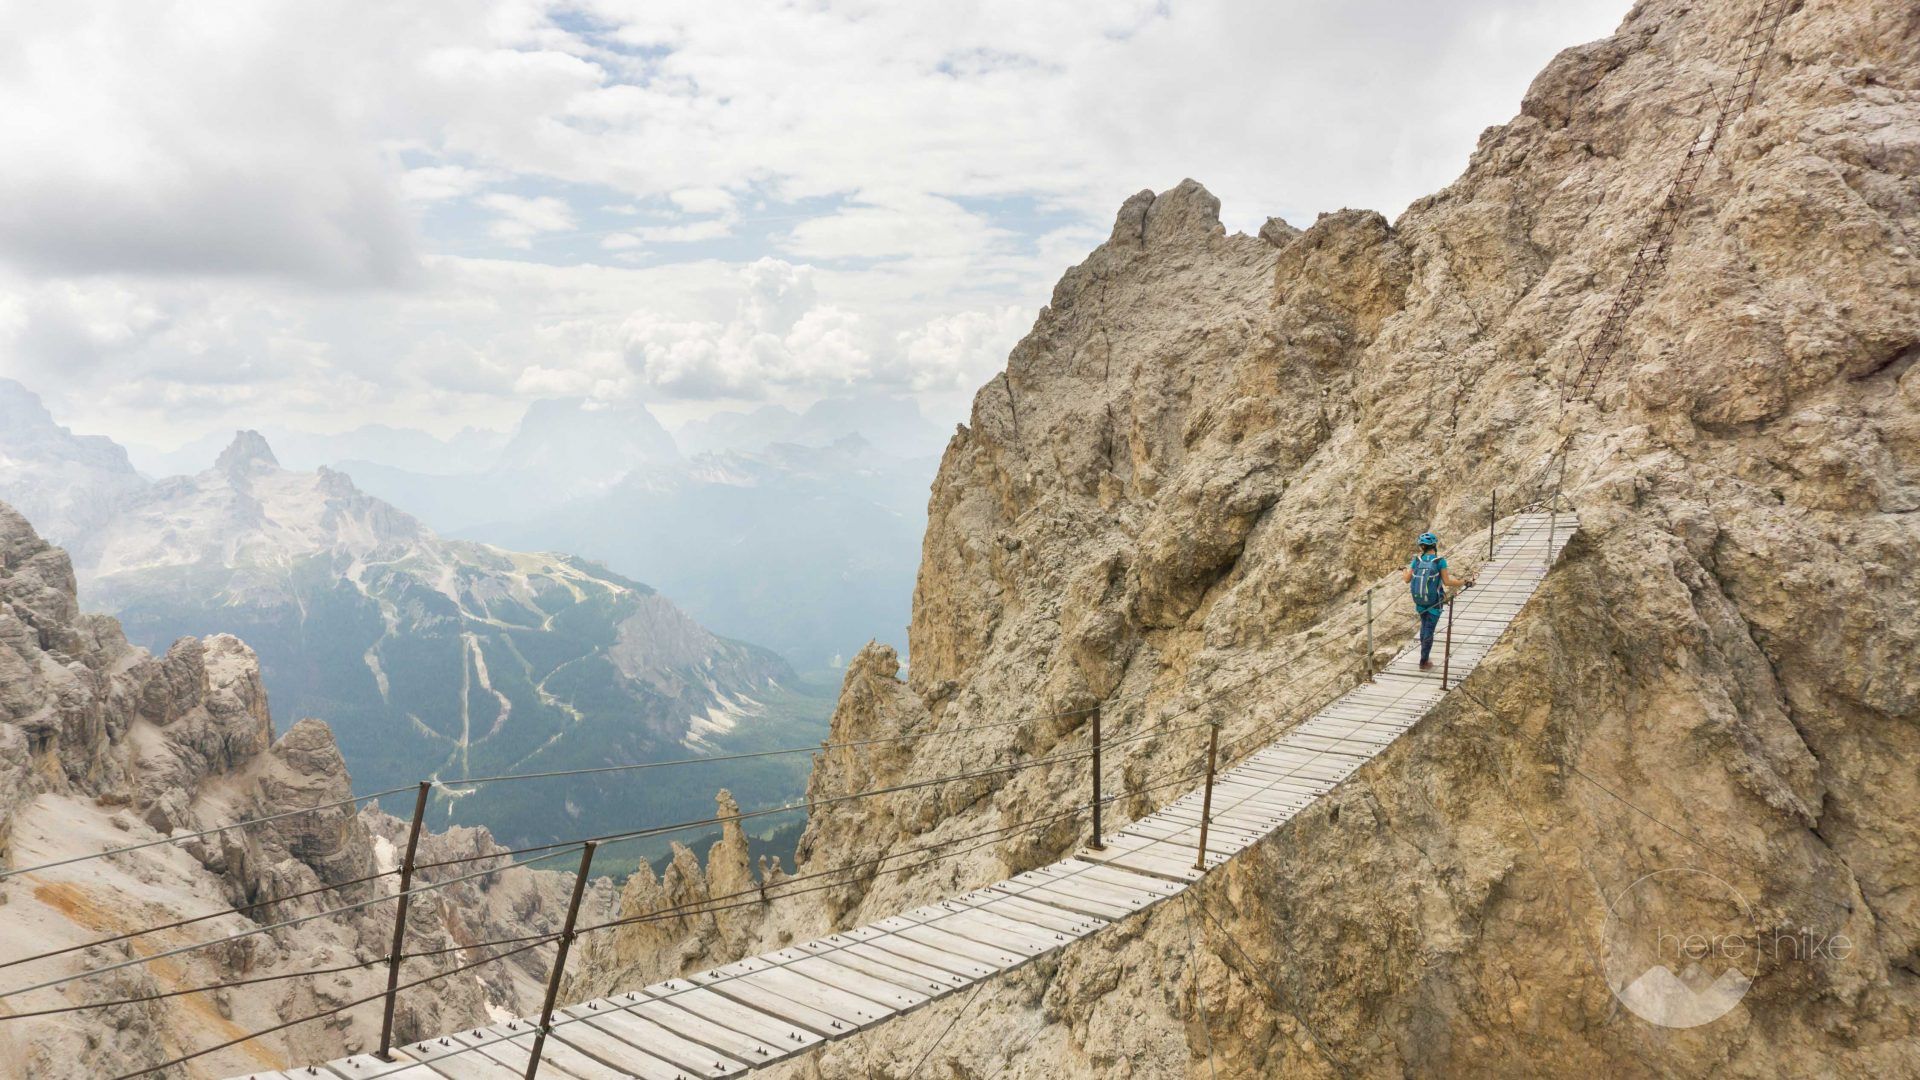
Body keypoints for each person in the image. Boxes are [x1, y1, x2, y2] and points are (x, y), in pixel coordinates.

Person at [1403, 531, 1473, 671]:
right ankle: (1424, 661)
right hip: (1434, 603)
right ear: (1434, 546)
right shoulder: (1439, 561)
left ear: (1421, 547)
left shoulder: (1416, 560)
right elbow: (1447, 582)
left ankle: (1424, 656)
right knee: (1429, 629)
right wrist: (1464, 582)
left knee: (1424, 626)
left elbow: (1406, 579)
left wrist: (1404, 570)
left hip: (1420, 602)